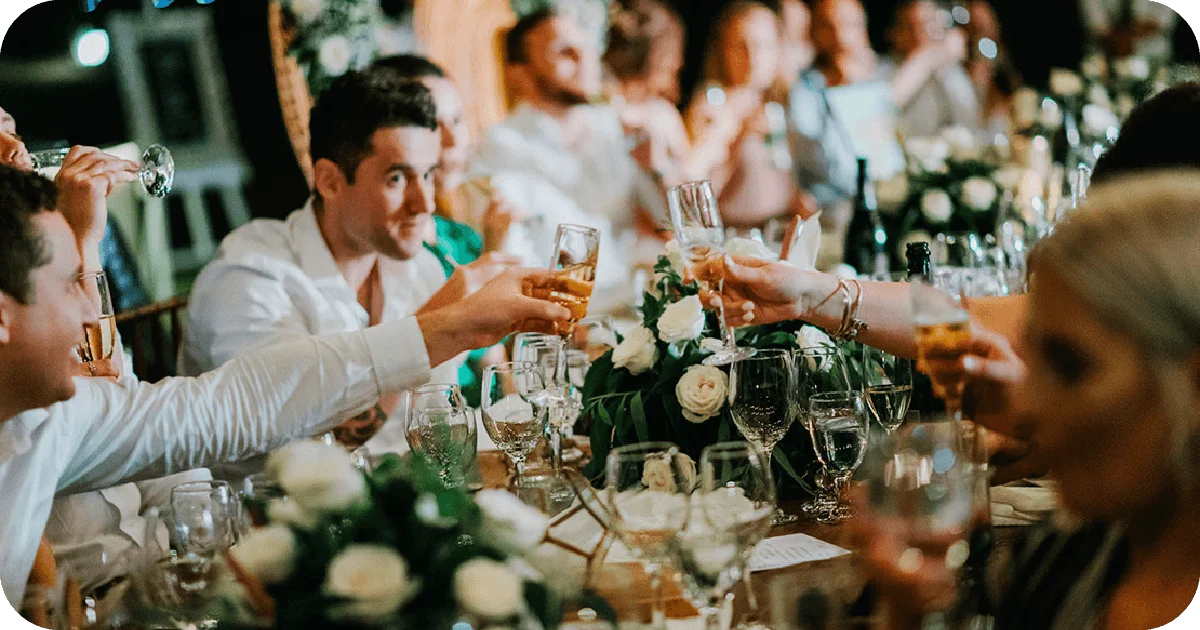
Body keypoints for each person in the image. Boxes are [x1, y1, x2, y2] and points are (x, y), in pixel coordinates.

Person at [0, 162, 571, 608]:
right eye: (69, 285)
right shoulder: (251, 271)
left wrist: (452, 326)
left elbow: (230, 407)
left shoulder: (49, 418)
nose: (91, 312)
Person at [861, 174, 1200, 629]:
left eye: (1070, 366)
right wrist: (912, 612)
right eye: (1033, 360)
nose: (1024, 405)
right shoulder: (1058, 559)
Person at [180, 75, 513, 458]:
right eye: (397, 178)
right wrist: (440, 321)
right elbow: (305, 453)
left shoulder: (422, 269)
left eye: (427, 175)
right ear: (329, 181)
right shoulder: (250, 280)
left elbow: (437, 435)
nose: (425, 203)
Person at [468, 8, 668, 297]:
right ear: (520, 74)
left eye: (586, 47)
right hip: (563, 312)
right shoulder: (503, 146)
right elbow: (506, 252)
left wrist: (657, 167)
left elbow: (670, 222)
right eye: (565, 52)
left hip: (633, 298)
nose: (586, 60)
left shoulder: (614, 128)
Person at [365, 54, 517, 405]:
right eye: (432, 123)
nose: (452, 139)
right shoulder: (386, 245)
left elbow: (495, 359)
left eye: (458, 120)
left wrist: (519, 413)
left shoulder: (459, 236)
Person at [685, 1, 813, 228]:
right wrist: (741, 137)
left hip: (780, 228)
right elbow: (695, 196)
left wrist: (797, 198)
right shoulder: (713, 106)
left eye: (762, 45)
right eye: (740, 45)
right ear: (722, 50)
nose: (752, 56)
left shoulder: (779, 101)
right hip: (737, 235)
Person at [884, 0, 980, 137]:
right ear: (897, 34)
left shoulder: (947, 70)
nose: (925, 33)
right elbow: (887, 104)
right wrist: (928, 58)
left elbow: (969, 121)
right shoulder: (888, 70)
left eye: (931, 23)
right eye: (914, 26)